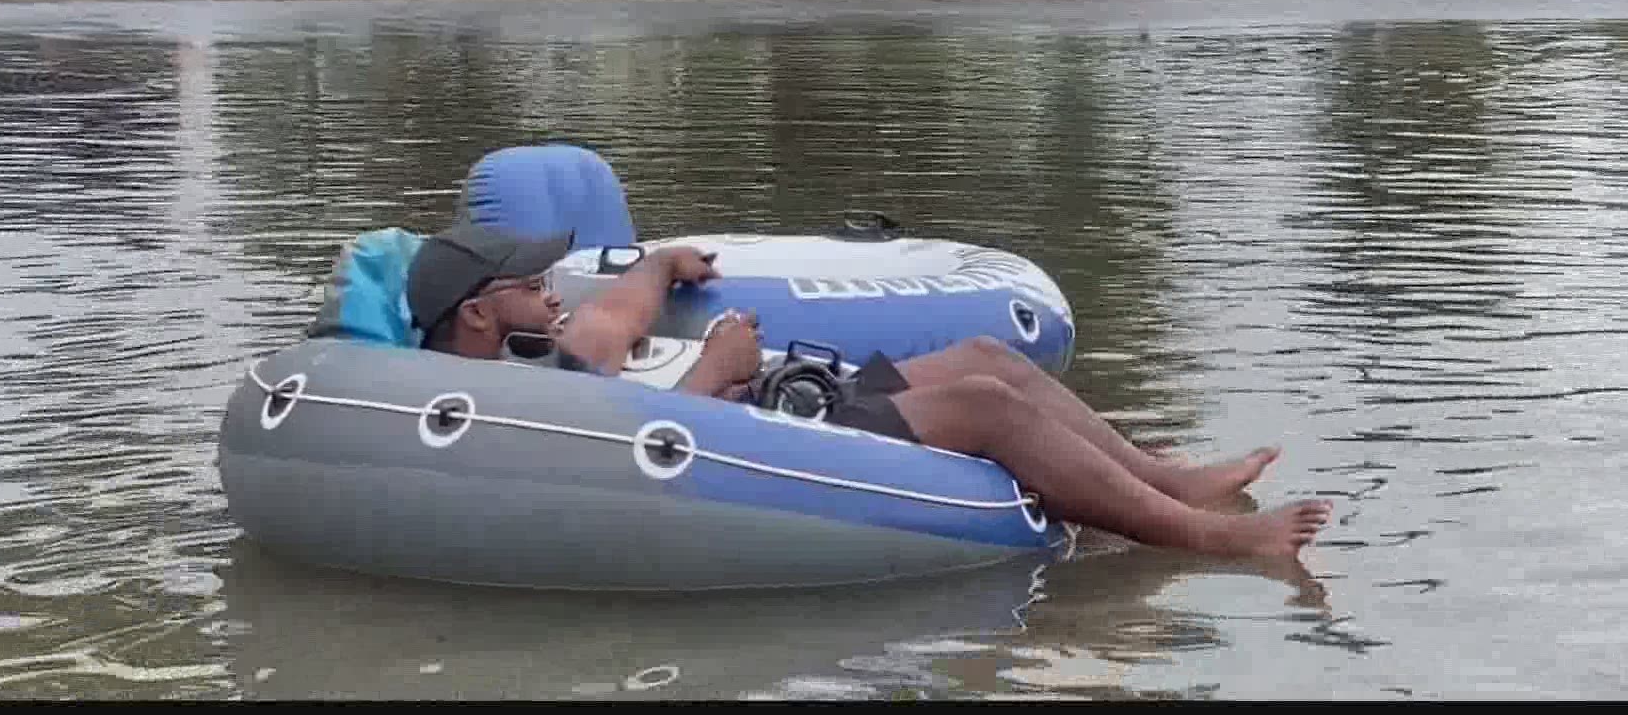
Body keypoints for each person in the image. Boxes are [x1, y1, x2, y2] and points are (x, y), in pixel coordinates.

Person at [405, 222, 1332, 562]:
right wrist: (716, 371)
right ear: (481, 317)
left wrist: (660, 263)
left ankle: (1169, 480)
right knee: (986, 407)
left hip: (774, 392)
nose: (553, 290)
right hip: (757, 434)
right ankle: (1216, 538)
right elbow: (654, 451)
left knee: (988, 355)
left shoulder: (547, 345)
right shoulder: (510, 399)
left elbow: (616, 316)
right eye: (530, 285)